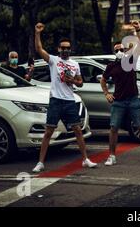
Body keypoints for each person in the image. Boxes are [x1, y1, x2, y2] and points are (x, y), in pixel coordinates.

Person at [32, 23, 97, 173]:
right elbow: (39, 49)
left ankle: (86, 159)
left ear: (70, 49)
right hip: (55, 100)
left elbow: (80, 83)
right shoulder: (53, 60)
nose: (66, 50)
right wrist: (37, 34)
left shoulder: (75, 64)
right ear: (58, 49)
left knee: (77, 130)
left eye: (68, 47)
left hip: (69, 101)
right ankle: (40, 162)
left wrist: (72, 81)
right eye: (63, 47)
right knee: (49, 131)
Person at [101, 20, 140, 166]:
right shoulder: (111, 66)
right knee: (114, 128)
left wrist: (138, 30)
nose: (119, 52)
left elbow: (139, 46)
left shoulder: (131, 61)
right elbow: (102, 80)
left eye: (122, 49)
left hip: (133, 99)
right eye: (117, 50)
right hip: (118, 101)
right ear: (114, 53)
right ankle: (112, 156)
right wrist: (106, 93)